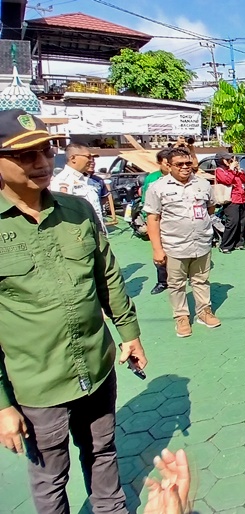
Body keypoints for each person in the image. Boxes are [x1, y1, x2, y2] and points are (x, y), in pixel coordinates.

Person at [0, 109, 147, 514]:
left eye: (46, 150)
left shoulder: (77, 210)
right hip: (38, 384)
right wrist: (2, 405)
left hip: (97, 369)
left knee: (102, 452)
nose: (42, 162)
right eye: (25, 155)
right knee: (50, 477)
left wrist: (129, 333)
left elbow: (109, 277)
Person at [144, 147, 221, 338]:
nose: (185, 167)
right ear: (169, 166)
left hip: (201, 243)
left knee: (201, 280)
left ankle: (204, 312)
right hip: (174, 246)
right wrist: (157, 249)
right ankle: (181, 317)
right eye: (179, 164)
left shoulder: (203, 184)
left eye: (188, 163)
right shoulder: (158, 187)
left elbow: (210, 208)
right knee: (176, 284)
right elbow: (153, 219)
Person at [50, 142, 106, 232]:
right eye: (88, 157)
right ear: (73, 158)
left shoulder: (87, 180)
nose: (91, 160)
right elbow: (64, 215)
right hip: (81, 235)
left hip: (97, 231)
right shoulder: (62, 181)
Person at [140, 148, 172, 294]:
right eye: (167, 164)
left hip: (176, 223)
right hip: (158, 221)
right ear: (159, 163)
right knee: (159, 252)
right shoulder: (152, 179)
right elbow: (146, 202)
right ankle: (162, 281)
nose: (170, 166)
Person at [214, 152, 245, 253]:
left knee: (241, 222)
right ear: (222, 161)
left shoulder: (232, 170)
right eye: (228, 159)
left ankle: (239, 243)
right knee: (232, 222)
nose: (231, 161)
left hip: (241, 198)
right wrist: (232, 170)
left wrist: (239, 171)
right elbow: (227, 181)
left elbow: (244, 180)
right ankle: (225, 245)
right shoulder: (219, 171)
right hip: (231, 200)